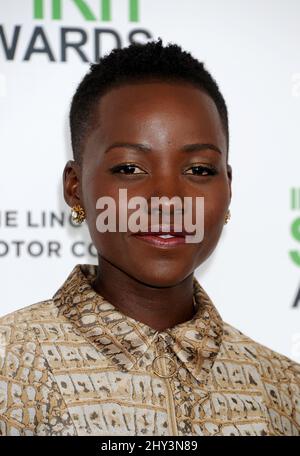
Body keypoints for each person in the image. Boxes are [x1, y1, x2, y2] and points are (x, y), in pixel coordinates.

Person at [0, 38, 299, 437]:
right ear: (75, 188)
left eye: (199, 170)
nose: (168, 199)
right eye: (129, 168)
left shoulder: (284, 390)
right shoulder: (10, 368)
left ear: (228, 188)